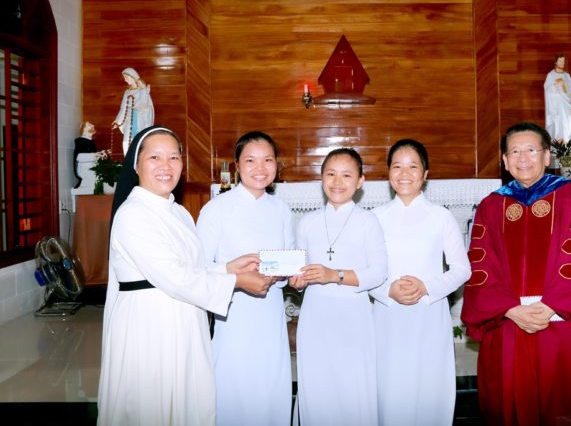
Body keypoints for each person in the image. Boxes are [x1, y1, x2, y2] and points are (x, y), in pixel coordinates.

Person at [97, 125, 272, 426]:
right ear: (136, 165)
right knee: (152, 404)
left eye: (174, 157)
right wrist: (236, 281)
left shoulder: (178, 212)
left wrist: (228, 267)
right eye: (155, 157)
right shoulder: (132, 215)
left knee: (185, 401)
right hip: (149, 325)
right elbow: (173, 276)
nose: (166, 166)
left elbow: (190, 268)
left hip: (183, 318)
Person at [460, 121, 571, 426]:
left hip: (561, 321)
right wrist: (508, 308)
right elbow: (481, 266)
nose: (523, 158)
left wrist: (553, 305)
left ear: (546, 156)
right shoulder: (491, 205)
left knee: (563, 403)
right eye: (514, 151)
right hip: (508, 322)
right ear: (505, 161)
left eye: (531, 150)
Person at [369, 139, 472, 426]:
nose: (405, 173)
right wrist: (387, 290)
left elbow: (462, 269)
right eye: (397, 166)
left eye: (413, 167)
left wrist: (426, 286)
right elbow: (365, 271)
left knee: (429, 386)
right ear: (388, 173)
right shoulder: (375, 218)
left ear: (425, 174)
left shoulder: (441, 217)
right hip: (387, 314)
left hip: (429, 312)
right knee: (390, 386)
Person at [195, 131, 294, 426]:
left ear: (276, 165)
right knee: (235, 384)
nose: (260, 168)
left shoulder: (281, 210)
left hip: (271, 311)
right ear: (237, 165)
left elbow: (288, 261)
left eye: (267, 160)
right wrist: (238, 274)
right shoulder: (216, 209)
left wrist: (282, 274)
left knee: (271, 382)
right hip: (233, 311)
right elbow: (200, 268)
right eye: (250, 160)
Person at [289, 148, 388, 426]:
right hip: (315, 315)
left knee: (352, 388)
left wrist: (334, 275)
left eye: (346, 175)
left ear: (360, 181)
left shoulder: (368, 221)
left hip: (353, 316)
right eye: (330, 174)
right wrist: (297, 281)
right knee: (318, 386)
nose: (337, 182)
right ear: (321, 178)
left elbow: (379, 273)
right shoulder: (307, 222)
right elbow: (300, 270)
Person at [112, 67, 154, 155]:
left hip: (140, 119)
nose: (125, 80)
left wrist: (144, 91)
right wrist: (117, 121)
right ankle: (128, 160)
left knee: (140, 141)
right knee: (126, 141)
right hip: (129, 120)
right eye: (124, 78)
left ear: (132, 77)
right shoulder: (127, 92)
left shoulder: (142, 90)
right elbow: (123, 108)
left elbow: (145, 105)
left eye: (126, 78)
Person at [544, 54, 571, 144]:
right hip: (556, 104)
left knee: (567, 120)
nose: (562, 63)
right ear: (556, 62)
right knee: (557, 121)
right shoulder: (551, 75)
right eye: (560, 61)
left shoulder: (567, 75)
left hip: (566, 103)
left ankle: (567, 140)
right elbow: (547, 88)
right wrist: (556, 85)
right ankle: (558, 141)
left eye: (563, 61)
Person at [73, 121, 97, 188]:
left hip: (92, 171)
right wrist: (96, 155)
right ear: (84, 129)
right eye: (89, 124)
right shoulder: (80, 141)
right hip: (85, 171)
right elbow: (79, 157)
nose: (93, 125)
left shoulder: (92, 142)